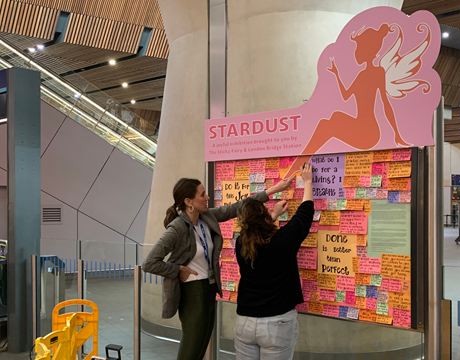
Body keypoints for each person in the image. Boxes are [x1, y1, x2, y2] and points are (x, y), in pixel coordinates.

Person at [142, 176, 293, 360]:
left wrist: (272, 190)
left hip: (209, 288)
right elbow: (149, 263)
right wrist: (178, 269)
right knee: (191, 348)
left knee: (201, 345)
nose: (207, 198)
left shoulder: (206, 216)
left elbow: (236, 207)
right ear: (188, 202)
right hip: (192, 293)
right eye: (202, 195)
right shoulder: (177, 228)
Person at [282, 23, 432, 179]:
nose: (355, 53)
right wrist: (337, 74)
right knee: (334, 117)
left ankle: (296, 167)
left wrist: (396, 134)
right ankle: (298, 167)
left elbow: (385, 103)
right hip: (358, 126)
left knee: (326, 124)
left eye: (358, 49)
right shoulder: (361, 74)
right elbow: (346, 96)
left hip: (369, 131)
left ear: (369, 50)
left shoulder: (378, 72)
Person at [234, 164, 315, 360]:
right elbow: (304, 215)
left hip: (245, 322)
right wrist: (308, 182)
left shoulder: (241, 243)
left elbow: (256, 233)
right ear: (263, 216)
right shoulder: (282, 241)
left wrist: (274, 215)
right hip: (277, 323)